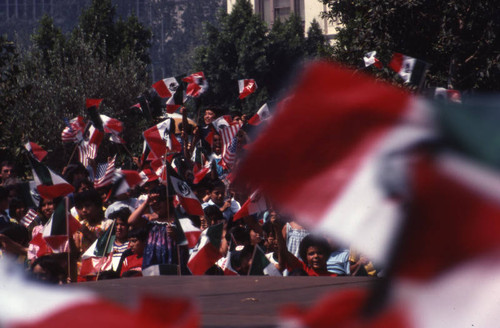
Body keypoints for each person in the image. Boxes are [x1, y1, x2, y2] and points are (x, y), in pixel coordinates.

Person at [128, 185, 187, 272]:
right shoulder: (150, 220)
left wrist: (177, 236)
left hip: (174, 264)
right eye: (152, 202)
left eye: (159, 201)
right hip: (152, 264)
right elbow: (131, 221)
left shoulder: (180, 220)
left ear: (169, 200)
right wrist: (146, 203)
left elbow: (190, 244)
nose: (156, 205)